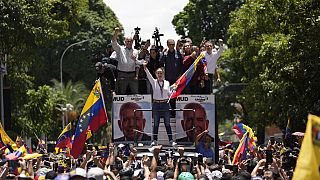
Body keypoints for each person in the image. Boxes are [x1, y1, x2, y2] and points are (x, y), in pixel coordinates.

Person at [143, 62, 177, 147]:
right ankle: (154, 140)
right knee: (156, 123)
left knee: (167, 124)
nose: (159, 74)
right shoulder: (153, 82)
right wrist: (145, 67)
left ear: (163, 74)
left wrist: (174, 91)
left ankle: (171, 141)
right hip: (156, 104)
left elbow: (169, 94)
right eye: (158, 73)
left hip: (165, 104)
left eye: (161, 73)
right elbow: (148, 75)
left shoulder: (167, 83)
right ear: (155, 74)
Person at [111, 27, 139, 95]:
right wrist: (116, 32)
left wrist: (137, 75)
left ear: (132, 42)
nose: (129, 42)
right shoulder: (120, 49)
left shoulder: (136, 51)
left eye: (130, 41)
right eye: (127, 41)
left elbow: (137, 64)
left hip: (132, 75)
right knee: (121, 93)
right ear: (125, 42)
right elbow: (113, 42)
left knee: (135, 93)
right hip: (122, 74)